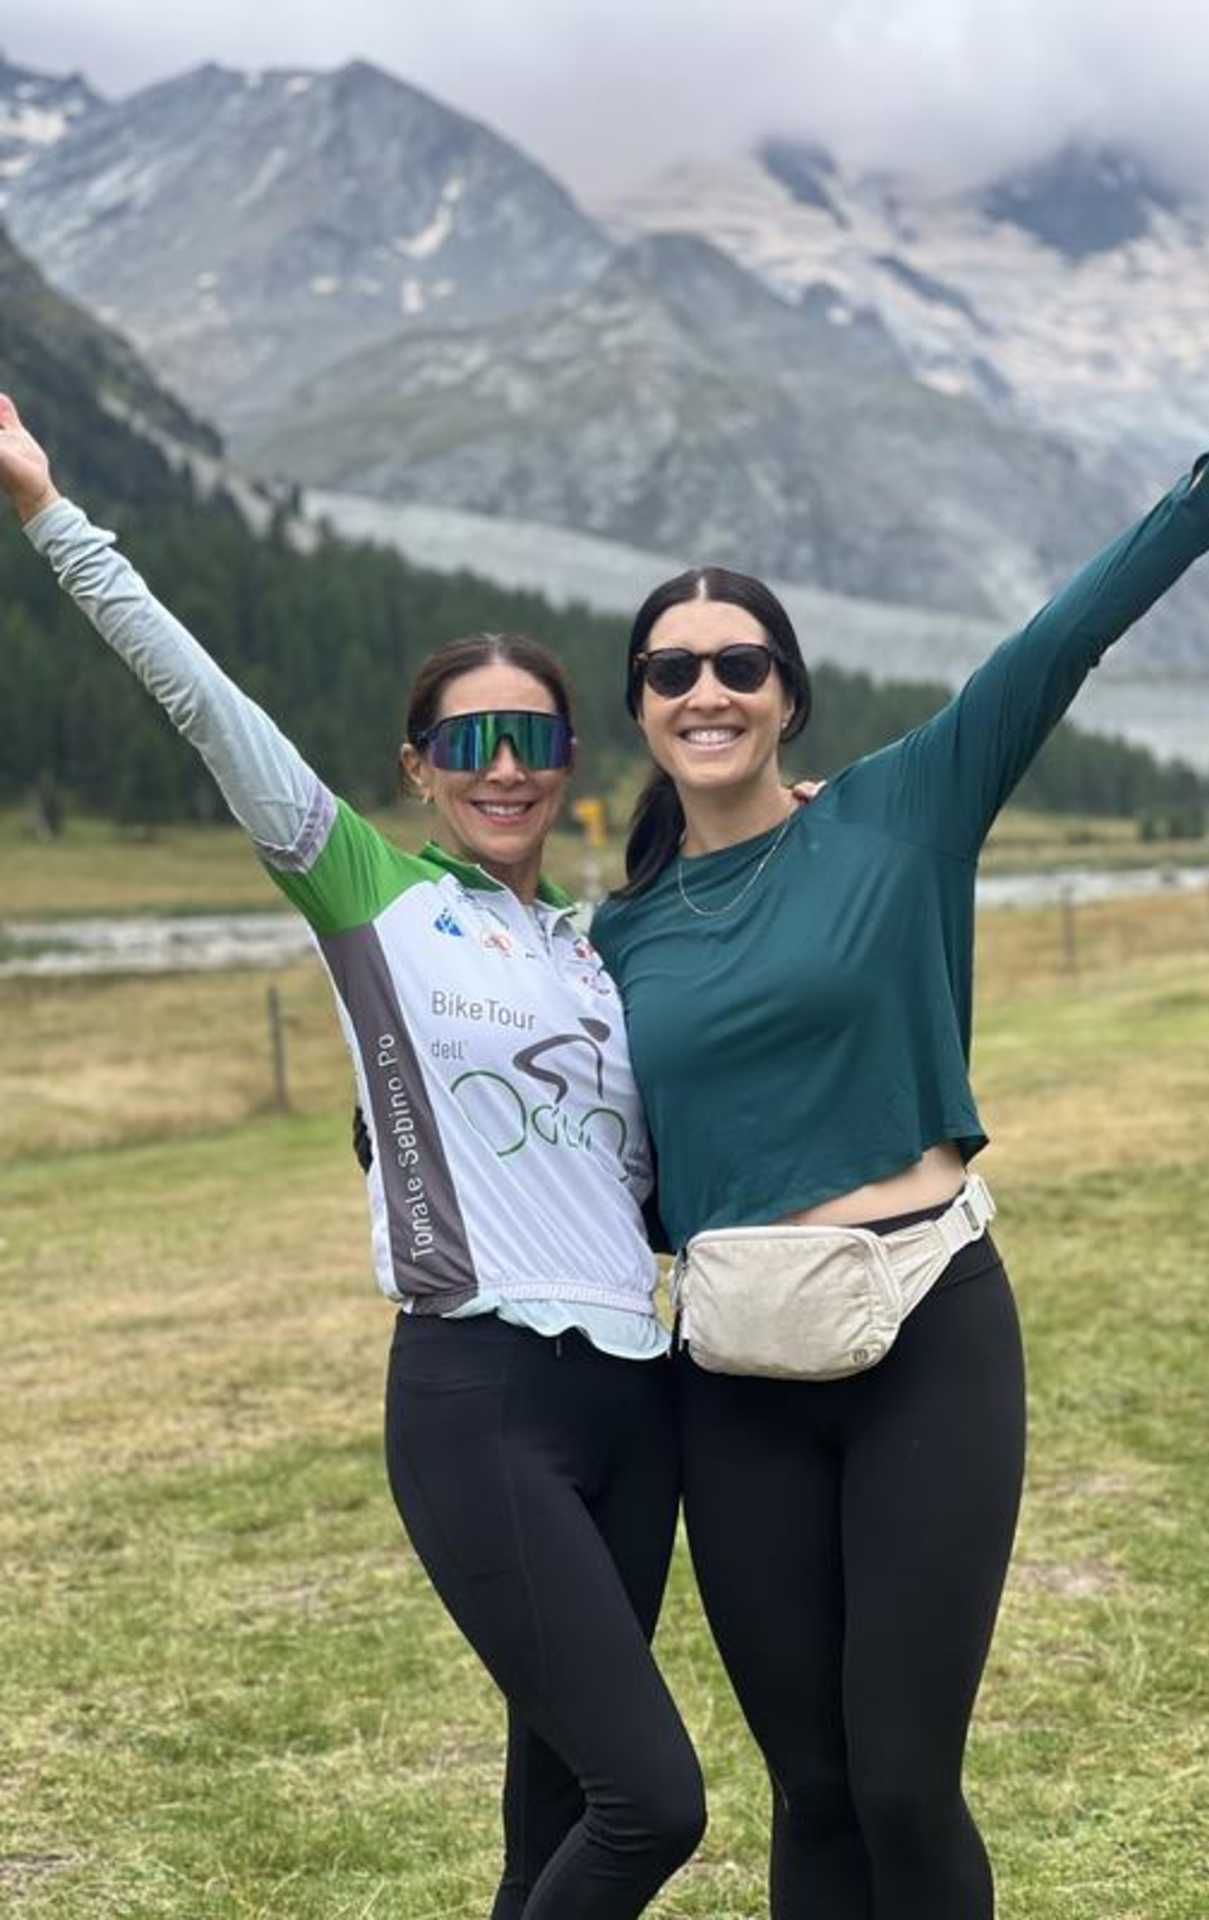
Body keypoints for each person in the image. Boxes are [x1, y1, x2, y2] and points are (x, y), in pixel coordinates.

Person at [589, 350, 1209, 1920]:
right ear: (640, 706)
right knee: (815, 1789)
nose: (708, 688)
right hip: (734, 1377)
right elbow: (543, 1110)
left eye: (742, 664)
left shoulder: (902, 811)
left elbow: (1067, 636)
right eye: (673, 667)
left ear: (789, 695)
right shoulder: (614, 941)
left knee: (904, 1779)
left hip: (926, 1336)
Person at [0, 392, 705, 1920]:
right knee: (656, 1805)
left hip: (636, 1405)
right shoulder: (369, 891)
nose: (506, 767)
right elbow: (205, 705)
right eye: (473, 741)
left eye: (533, 740)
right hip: (480, 1397)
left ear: (570, 757)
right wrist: (51, 514)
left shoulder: (595, 955)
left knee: (562, 1807)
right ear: (419, 765)